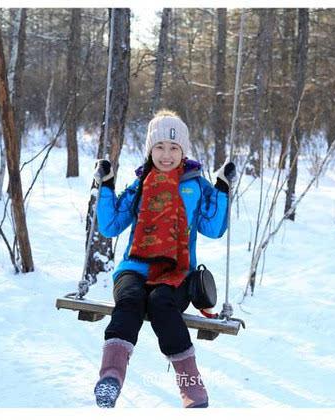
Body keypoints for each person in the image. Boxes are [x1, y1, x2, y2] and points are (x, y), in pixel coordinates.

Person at [91, 110, 236, 408]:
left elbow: (213, 227)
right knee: (129, 300)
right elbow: (110, 225)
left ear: (183, 151)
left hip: (178, 271)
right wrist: (105, 185)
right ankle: (110, 379)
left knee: (161, 304)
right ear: (150, 149)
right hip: (135, 266)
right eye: (159, 147)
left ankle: (191, 386)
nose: (166, 155)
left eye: (174, 148)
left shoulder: (195, 184)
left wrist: (221, 188)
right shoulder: (141, 184)